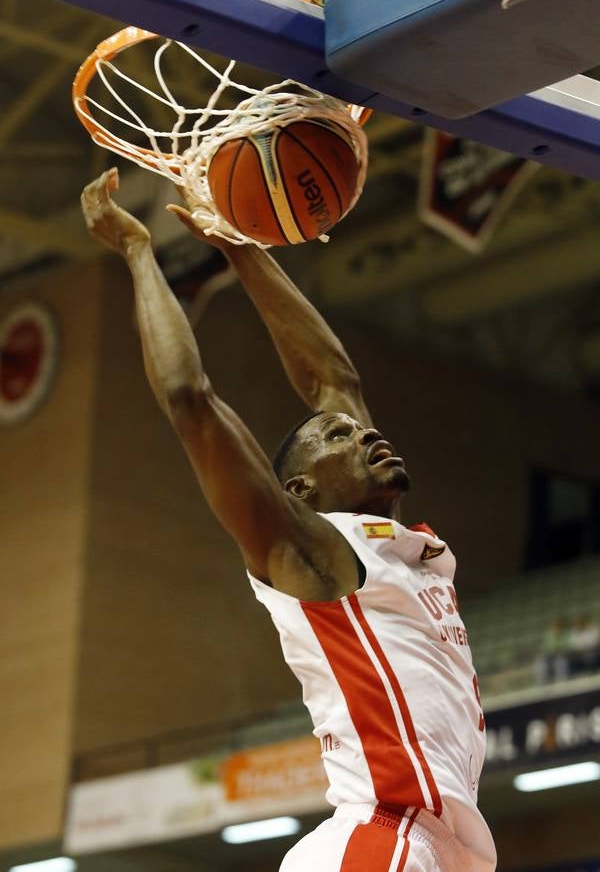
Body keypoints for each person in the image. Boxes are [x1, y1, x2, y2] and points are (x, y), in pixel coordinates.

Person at [81, 168, 497, 872]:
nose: (363, 434)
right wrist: (139, 254)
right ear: (301, 491)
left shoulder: (389, 547)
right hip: (379, 835)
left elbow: (334, 382)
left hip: (426, 844)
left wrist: (241, 245)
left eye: (357, 431)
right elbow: (190, 399)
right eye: (338, 439)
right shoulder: (317, 554)